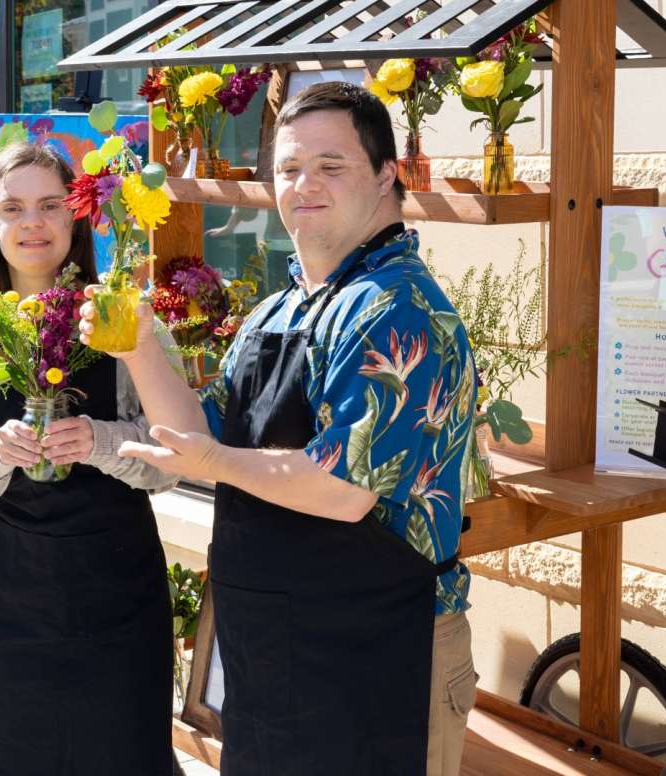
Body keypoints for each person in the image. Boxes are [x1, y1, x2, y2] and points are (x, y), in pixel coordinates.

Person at [81, 81, 479, 776]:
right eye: (290, 168)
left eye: (332, 166)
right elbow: (196, 432)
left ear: (387, 175)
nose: (305, 185)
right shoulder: (278, 310)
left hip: (383, 649)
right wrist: (139, 348)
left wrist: (214, 461)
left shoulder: (399, 308)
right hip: (280, 652)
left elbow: (341, 488)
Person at [0, 142, 179, 776]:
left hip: (119, 586)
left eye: (51, 205)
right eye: (12, 207)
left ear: (76, 217)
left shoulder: (125, 317)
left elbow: (172, 460)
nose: (32, 222)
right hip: (18, 592)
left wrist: (102, 442)